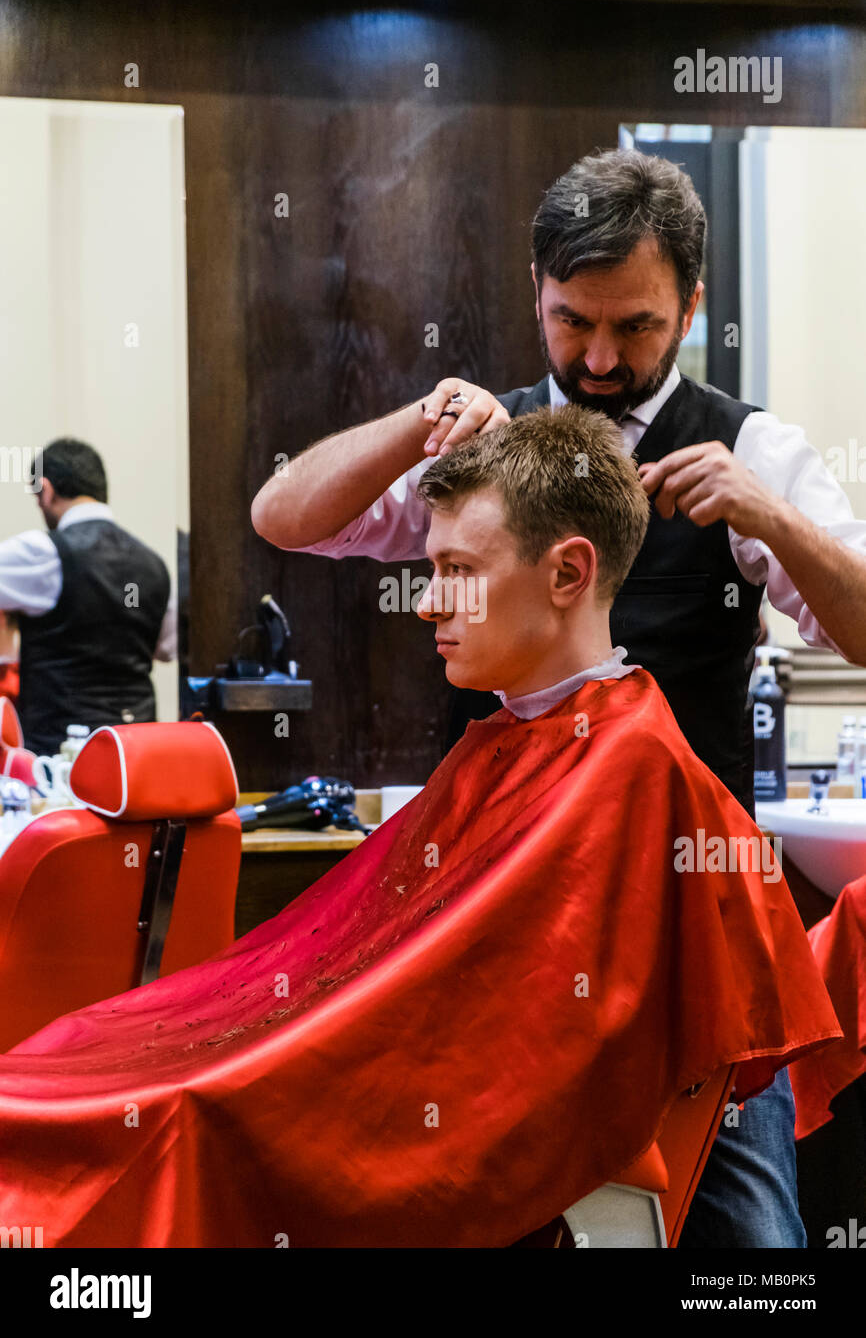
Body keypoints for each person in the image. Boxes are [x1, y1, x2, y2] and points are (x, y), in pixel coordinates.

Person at [0, 408, 839, 1248]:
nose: (427, 601)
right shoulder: (518, 746)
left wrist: (247, 1076)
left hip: (378, 1122)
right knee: (77, 1056)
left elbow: (512, 1072)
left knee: (140, 1118)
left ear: (567, 573)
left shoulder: (636, 775)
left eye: (456, 570)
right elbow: (282, 510)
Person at [251, 147, 866, 822]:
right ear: (537, 288)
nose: (600, 359)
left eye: (636, 327)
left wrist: (773, 519)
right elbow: (282, 517)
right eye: (572, 320)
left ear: (689, 309)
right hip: (495, 854)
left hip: (678, 868)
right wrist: (420, 419)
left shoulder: (755, 452)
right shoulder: (478, 442)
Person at [0, 438, 175, 754]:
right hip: (135, 755)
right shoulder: (155, 565)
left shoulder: (44, 552)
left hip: (61, 757)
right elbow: (166, 649)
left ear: (46, 489)